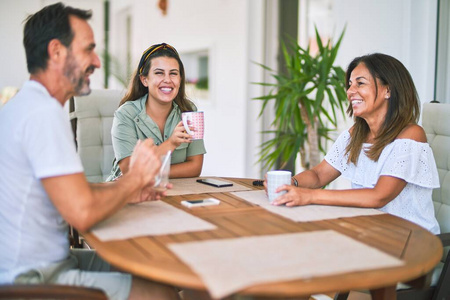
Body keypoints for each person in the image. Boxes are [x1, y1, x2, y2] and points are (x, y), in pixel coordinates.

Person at [0, 3, 180, 300]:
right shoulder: (41, 114)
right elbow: (82, 213)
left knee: (155, 267)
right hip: (31, 279)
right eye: (88, 49)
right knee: (162, 294)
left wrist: (126, 191)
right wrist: (134, 179)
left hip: (52, 263)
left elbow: (71, 192)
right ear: (57, 51)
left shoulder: (32, 106)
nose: (97, 61)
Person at [267, 53, 440, 234]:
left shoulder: (411, 135)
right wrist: (288, 184)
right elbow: (318, 175)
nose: (350, 91)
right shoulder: (355, 135)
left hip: (411, 240)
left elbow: (378, 197)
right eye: (350, 84)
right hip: (370, 232)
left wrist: (310, 196)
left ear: (388, 90)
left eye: (360, 83)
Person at [107, 43, 206, 182]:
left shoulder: (189, 111)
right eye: (159, 73)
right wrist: (171, 143)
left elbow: (195, 167)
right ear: (144, 80)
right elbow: (130, 170)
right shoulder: (125, 114)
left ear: (180, 79)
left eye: (173, 73)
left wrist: (151, 172)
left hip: (174, 189)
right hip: (127, 192)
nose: (167, 80)